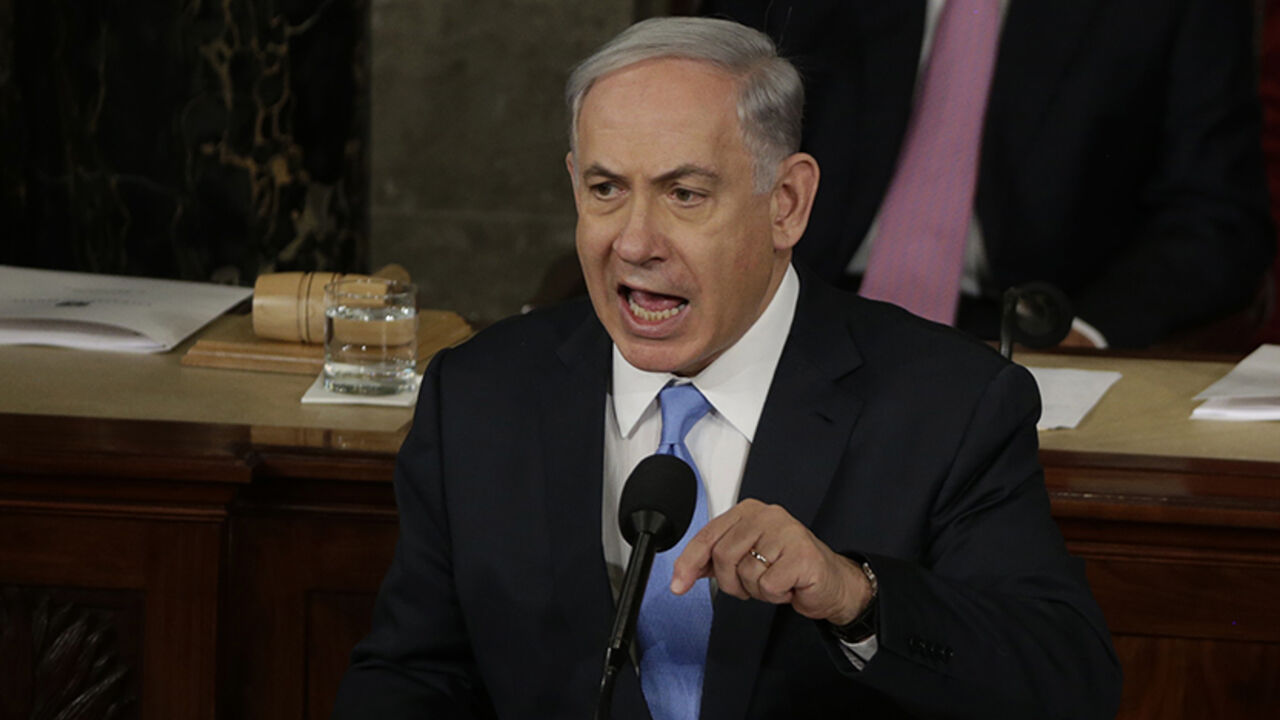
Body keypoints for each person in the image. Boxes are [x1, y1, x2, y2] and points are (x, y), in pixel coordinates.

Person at [333, 17, 1120, 719]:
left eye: (684, 194)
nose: (634, 242)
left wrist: (855, 596)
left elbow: (1068, 683)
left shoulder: (947, 405)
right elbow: (414, 677)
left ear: (787, 204)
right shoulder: (480, 397)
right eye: (606, 190)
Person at [702, 0, 1275, 349]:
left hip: (1028, 334)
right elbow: (704, 150)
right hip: (796, 311)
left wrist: (1086, 332)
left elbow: (1217, 219)